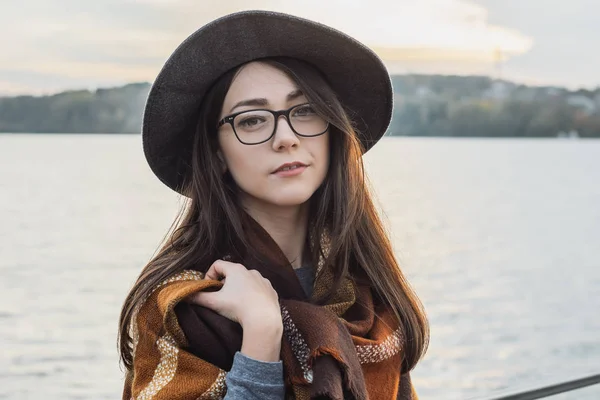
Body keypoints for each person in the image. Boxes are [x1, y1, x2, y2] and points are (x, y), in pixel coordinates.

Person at [118, 10, 429, 400]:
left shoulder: (368, 291)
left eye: (304, 111)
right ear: (216, 153)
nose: (285, 137)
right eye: (252, 120)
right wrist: (262, 336)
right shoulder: (182, 306)